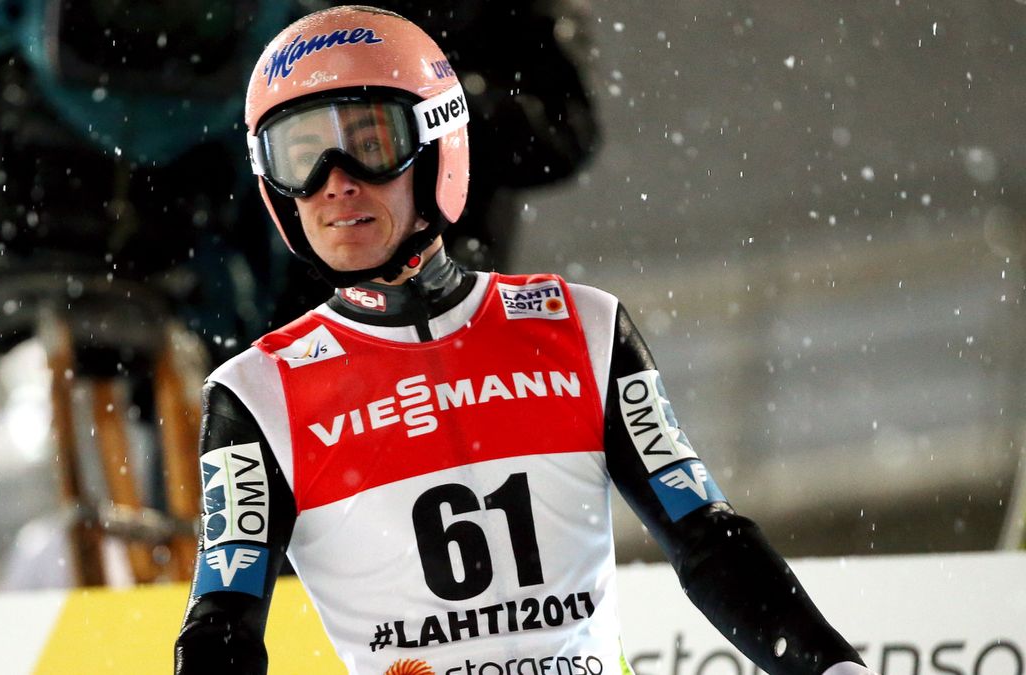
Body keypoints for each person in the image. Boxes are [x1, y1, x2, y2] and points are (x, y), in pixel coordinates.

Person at [174, 6, 878, 675]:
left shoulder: (582, 327)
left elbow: (708, 540)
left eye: (368, 146)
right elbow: (222, 622)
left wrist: (833, 665)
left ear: (436, 145)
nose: (335, 185)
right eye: (300, 157)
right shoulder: (255, 395)